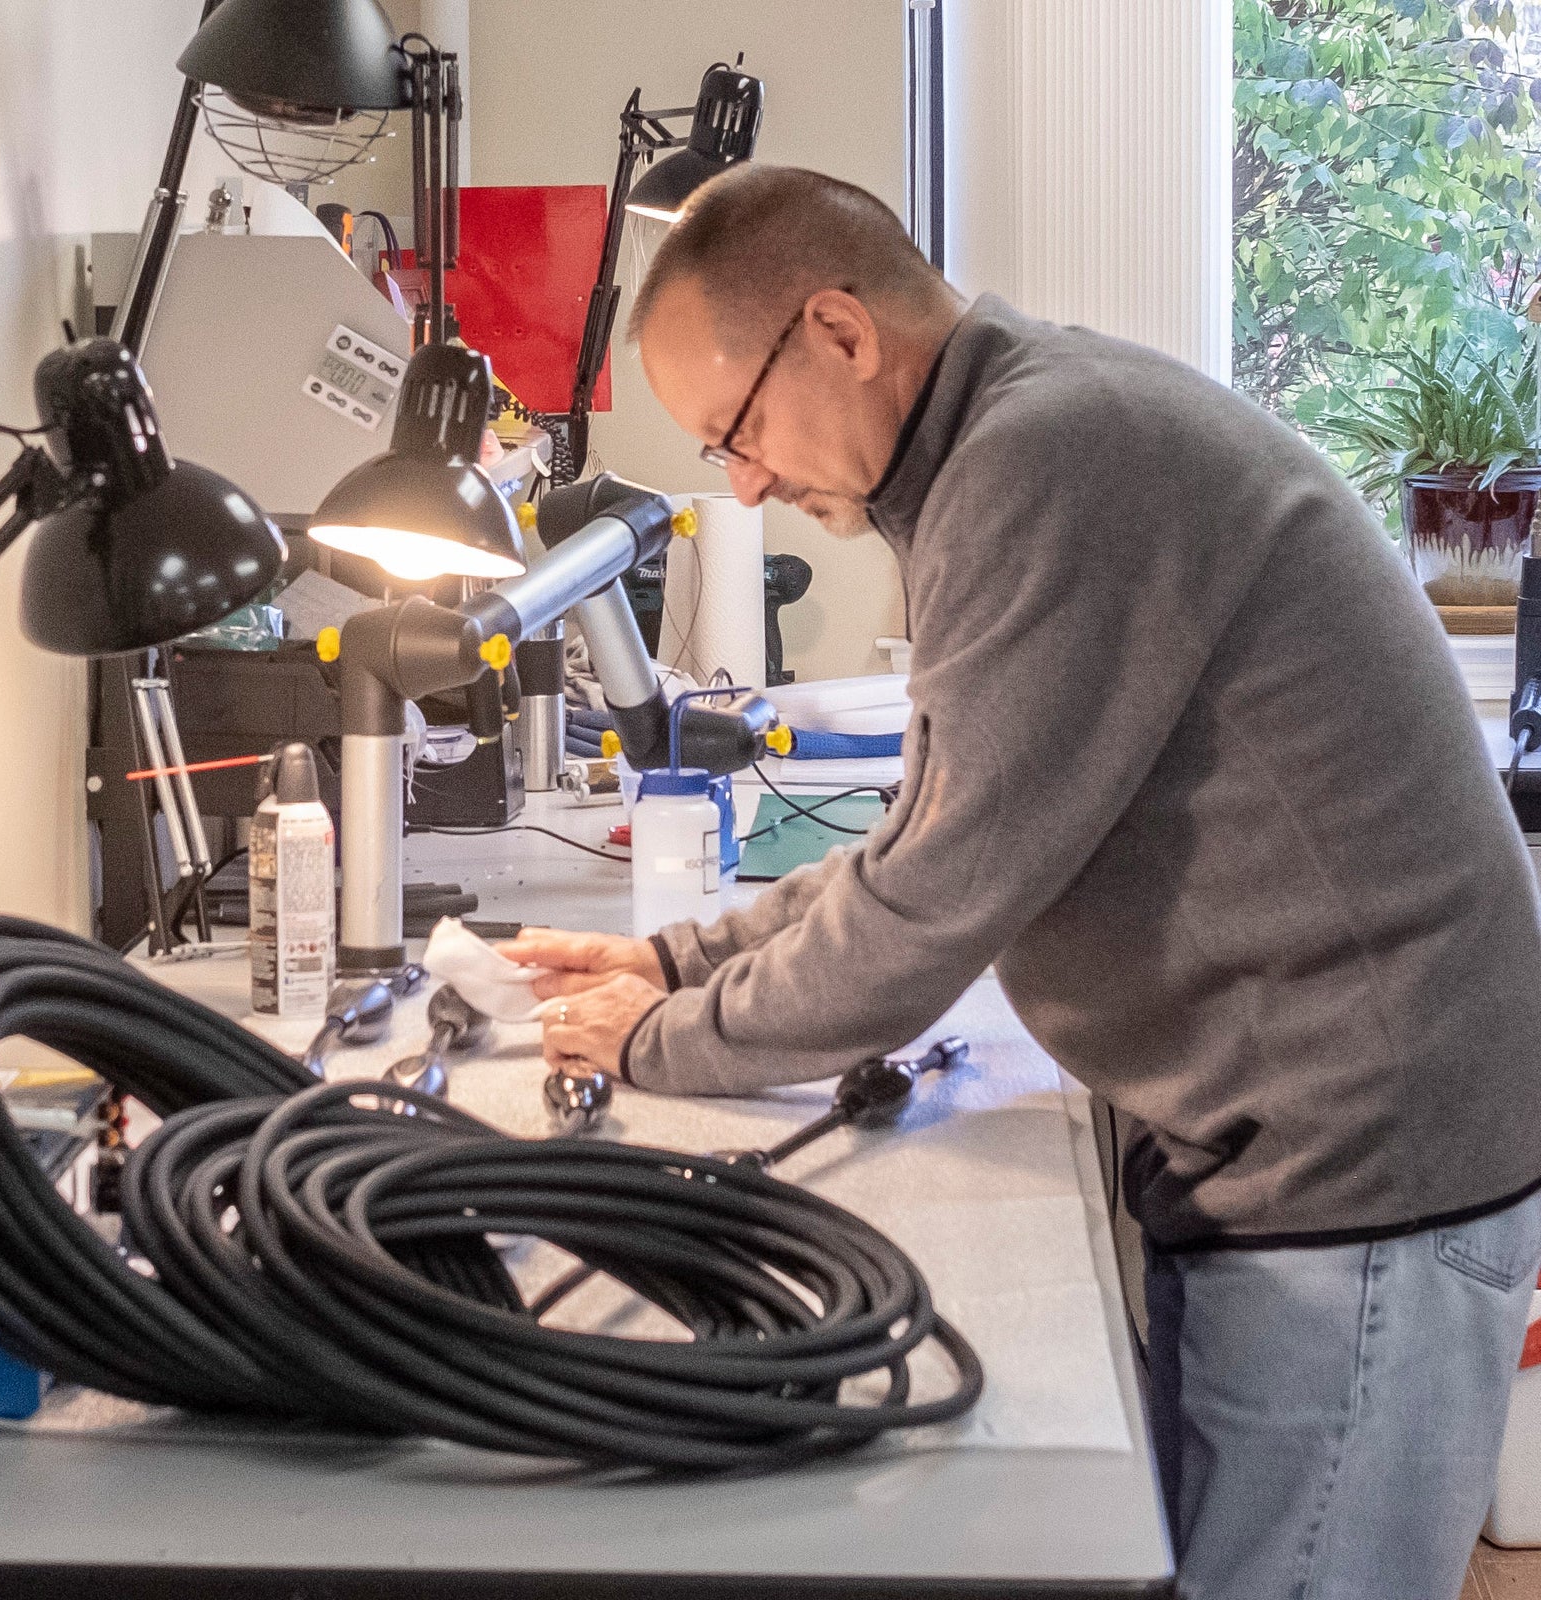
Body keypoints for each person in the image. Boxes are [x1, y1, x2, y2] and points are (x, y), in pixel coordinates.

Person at [503, 165, 1541, 1598]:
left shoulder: (1043, 460)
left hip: (1363, 1155)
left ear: (841, 332)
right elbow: (926, 834)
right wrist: (681, 962)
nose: (742, 483)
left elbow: (929, 910)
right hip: (1301, 1136)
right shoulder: (1007, 439)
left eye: (736, 432)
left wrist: (663, 1039)